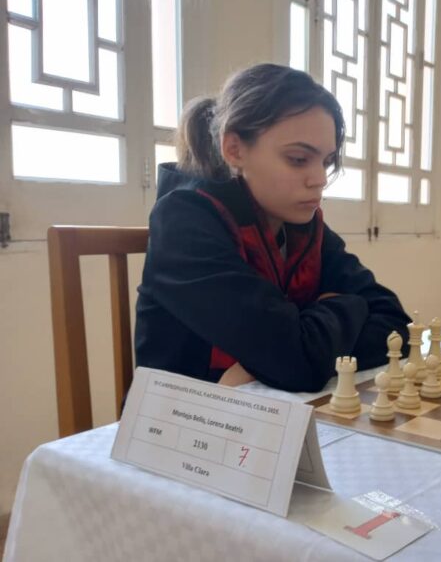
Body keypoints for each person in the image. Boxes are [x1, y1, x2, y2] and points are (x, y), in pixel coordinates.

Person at [135, 64, 411, 392]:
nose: (319, 179)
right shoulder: (184, 221)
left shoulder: (302, 225)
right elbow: (296, 361)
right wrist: (347, 305)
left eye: (325, 161)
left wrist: (300, 344)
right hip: (184, 429)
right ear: (234, 149)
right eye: (297, 159)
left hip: (272, 419)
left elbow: (397, 328)